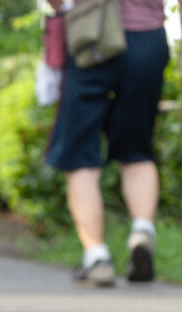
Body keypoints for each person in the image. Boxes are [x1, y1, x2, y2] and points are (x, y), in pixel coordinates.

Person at [46, 0, 181, 286]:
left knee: (81, 153)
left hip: (92, 33)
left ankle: (97, 256)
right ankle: (142, 231)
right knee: (137, 149)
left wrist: (64, 8)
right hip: (147, 40)